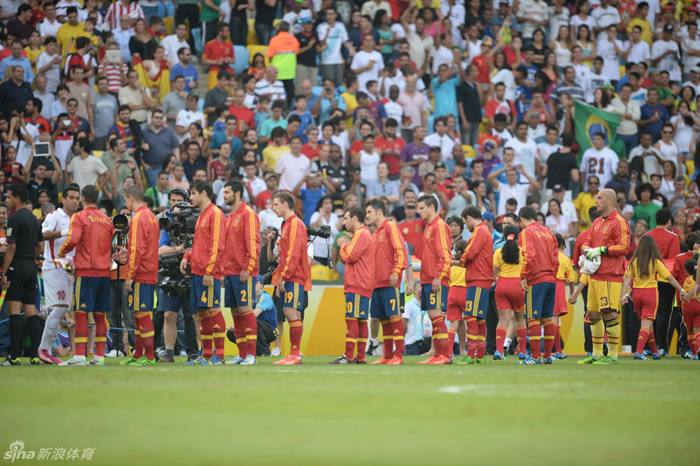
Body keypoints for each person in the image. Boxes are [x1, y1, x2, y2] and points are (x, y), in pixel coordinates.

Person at [54, 185, 112, 366]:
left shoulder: (79, 217)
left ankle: (79, 356)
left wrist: (62, 253)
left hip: (86, 271)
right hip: (104, 272)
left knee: (80, 314)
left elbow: (72, 239)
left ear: (83, 199)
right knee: (100, 315)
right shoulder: (107, 220)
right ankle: (99, 357)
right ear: (97, 199)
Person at [579, 188, 631, 365]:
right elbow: (589, 240)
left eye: (600, 198)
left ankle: (614, 356)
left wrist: (600, 250)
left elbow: (625, 247)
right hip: (595, 275)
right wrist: (586, 250)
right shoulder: (596, 222)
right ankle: (597, 354)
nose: (596, 201)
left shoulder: (620, 222)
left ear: (610, 200)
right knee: (592, 313)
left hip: (610, 275)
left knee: (609, 313)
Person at [112, 186, 159, 366]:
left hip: (141, 273)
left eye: (125, 199)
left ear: (131, 198)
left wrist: (130, 275)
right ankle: (139, 354)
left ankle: (149, 356)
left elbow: (138, 249)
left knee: (142, 313)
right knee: (139, 314)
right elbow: (143, 247)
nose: (125, 203)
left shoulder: (138, 218)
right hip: (148, 269)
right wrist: (128, 252)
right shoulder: (150, 216)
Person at [180, 181, 226, 365]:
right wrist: (188, 256)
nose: (190, 198)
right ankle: (206, 354)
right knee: (201, 312)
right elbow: (201, 243)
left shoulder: (215, 213)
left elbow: (217, 245)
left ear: (204, 193)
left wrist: (210, 270)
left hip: (208, 273)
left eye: (193, 193)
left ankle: (219, 355)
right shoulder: (201, 215)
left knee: (213, 309)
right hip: (197, 271)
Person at [622, 235, 685, 359]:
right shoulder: (656, 261)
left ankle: (655, 351)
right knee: (646, 324)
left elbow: (628, 278)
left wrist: (623, 294)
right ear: (653, 247)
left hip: (637, 295)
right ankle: (639, 352)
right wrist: (681, 289)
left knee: (647, 324)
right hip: (650, 293)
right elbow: (669, 277)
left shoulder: (634, 261)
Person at [0, 185, 43, 366]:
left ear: (17, 198)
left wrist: (3, 272)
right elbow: (40, 248)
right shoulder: (34, 219)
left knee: (14, 311)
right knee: (31, 311)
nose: (7, 200)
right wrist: (30, 257)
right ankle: (35, 356)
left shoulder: (15, 218)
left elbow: (11, 248)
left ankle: (14, 357)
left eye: (9, 197)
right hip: (31, 267)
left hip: (16, 266)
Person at [36, 184, 79, 364]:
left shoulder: (78, 218)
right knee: (61, 307)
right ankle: (44, 349)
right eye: (71, 198)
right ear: (63, 199)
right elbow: (43, 233)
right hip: (53, 266)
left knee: (62, 309)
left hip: (70, 269)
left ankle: (47, 349)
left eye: (77, 198)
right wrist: (65, 232)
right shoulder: (55, 215)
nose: (75, 201)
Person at [221, 181, 260, 366]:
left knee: (245, 309)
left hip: (243, 271)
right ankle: (242, 353)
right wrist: (222, 271)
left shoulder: (248, 214)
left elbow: (253, 242)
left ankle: (252, 354)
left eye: (227, 192)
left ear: (237, 193)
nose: (224, 195)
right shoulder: (229, 216)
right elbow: (226, 247)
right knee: (235, 311)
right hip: (229, 271)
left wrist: (247, 266)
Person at [409, 195, 451, 365]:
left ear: (432, 207)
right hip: (428, 280)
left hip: (436, 279)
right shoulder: (429, 227)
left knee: (436, 316)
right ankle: (437, 354)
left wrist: (438, 277)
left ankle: (445, 355)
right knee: (434, 318)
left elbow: (445, 255)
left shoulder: (439, 226)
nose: (418, 211)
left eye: (421, 208)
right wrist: (424, 282)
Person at [331, 207, 375, 364]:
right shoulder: (363, 234)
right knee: (361, 320)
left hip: (357, 282)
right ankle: (360, 357)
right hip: (362, 282)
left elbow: (349, 255)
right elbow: (348, 258)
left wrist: (344, 246)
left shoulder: (361, 233)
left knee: (351, 318)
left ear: (354, 218)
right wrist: (347, 247)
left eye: (345, 218)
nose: (343, 222)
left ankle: (348, 356)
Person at [516, 206, 559, 364]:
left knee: (532, 318)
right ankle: (547, 356)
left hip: (536, 279)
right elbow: (556, 259)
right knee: (547, 318)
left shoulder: (527, 232)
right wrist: (551, 275)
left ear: (522, 219)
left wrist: (523, 275)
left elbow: (529, 255)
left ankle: (535, 357)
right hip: (550, 279)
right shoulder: (549, 233)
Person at [270, 192, 309, 365]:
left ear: (285, 204)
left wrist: (284, 276)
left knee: (291, 312)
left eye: (276, 204)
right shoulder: (287, 225)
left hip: (294, 276)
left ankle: (295, 354)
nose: (273, 208)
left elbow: (294, 252)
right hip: (290, 275)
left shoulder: (294, 224)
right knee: (289, 311)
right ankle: (294, 353)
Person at [453, 206, 493, 365]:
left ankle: (471, 354)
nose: (466, 227)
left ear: (469, 218)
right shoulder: (484, 231)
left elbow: (469, 254)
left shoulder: (479, 231)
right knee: (479, 318)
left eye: (464, 222)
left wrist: (458, 262)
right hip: (481, 278)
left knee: (470, 316)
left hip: (477, 278)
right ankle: (480, 355)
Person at [493, 224, 526, 360]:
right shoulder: (523, 252)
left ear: (504, 237)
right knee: (520, 319)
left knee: (503, 320)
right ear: (518, 237)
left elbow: (494, 273)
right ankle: (523, 352)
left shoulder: (498, 252)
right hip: (518, 286)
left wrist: (498, 281)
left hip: (502, 286)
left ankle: (499, 351)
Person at [552, 233, 575, 359]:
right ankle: (554, 351)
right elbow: (572, 279)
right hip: (559, 287)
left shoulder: (547, 256)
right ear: (562, 246)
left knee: (551, 320)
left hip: (546, 285)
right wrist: (572, 293)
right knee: (554, 320)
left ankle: (557, 351)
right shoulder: (565, 259)